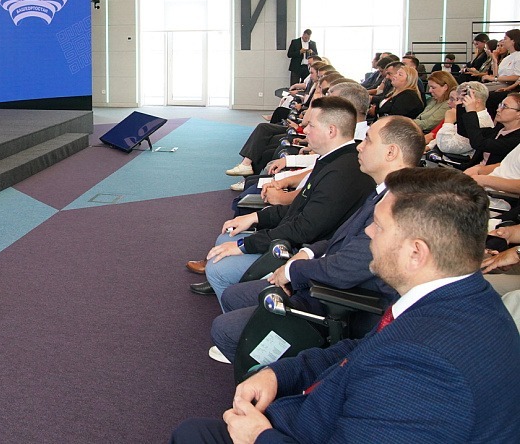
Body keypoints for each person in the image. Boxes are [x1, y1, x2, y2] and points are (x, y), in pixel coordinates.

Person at [171, 167, 520, 444]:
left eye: (379, 227)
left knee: (192, 435)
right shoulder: (463, 300)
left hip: (310, 428)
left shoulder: (424, 368)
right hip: (327, 409)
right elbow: (366, 350)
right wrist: (280, 373)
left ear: (416, 253)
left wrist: (259, 438)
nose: (368, 234)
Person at [209, 116, 424, 364]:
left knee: (224, 330)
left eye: (368, 140)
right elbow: (340, 237)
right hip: (325, 278)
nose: (360, 146)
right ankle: (255, 356)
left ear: (391, 152)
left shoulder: (399, 205)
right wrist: (309, 253)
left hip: (342, 302)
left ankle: (269, 369)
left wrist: (292, 271)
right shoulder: (382, 191)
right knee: (234, 297)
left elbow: (347, 267)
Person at [190, 97, 376, 305]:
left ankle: (245, 309)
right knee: (224, 238)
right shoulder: (333, 160)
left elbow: (304, 230)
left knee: (217, 270)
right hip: (295, 239)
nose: (305, 130)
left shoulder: (340, 173)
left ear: (331, 131)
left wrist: (244, 245)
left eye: (311, 126)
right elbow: (298, 208)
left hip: (300, 251)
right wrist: (256, 217)